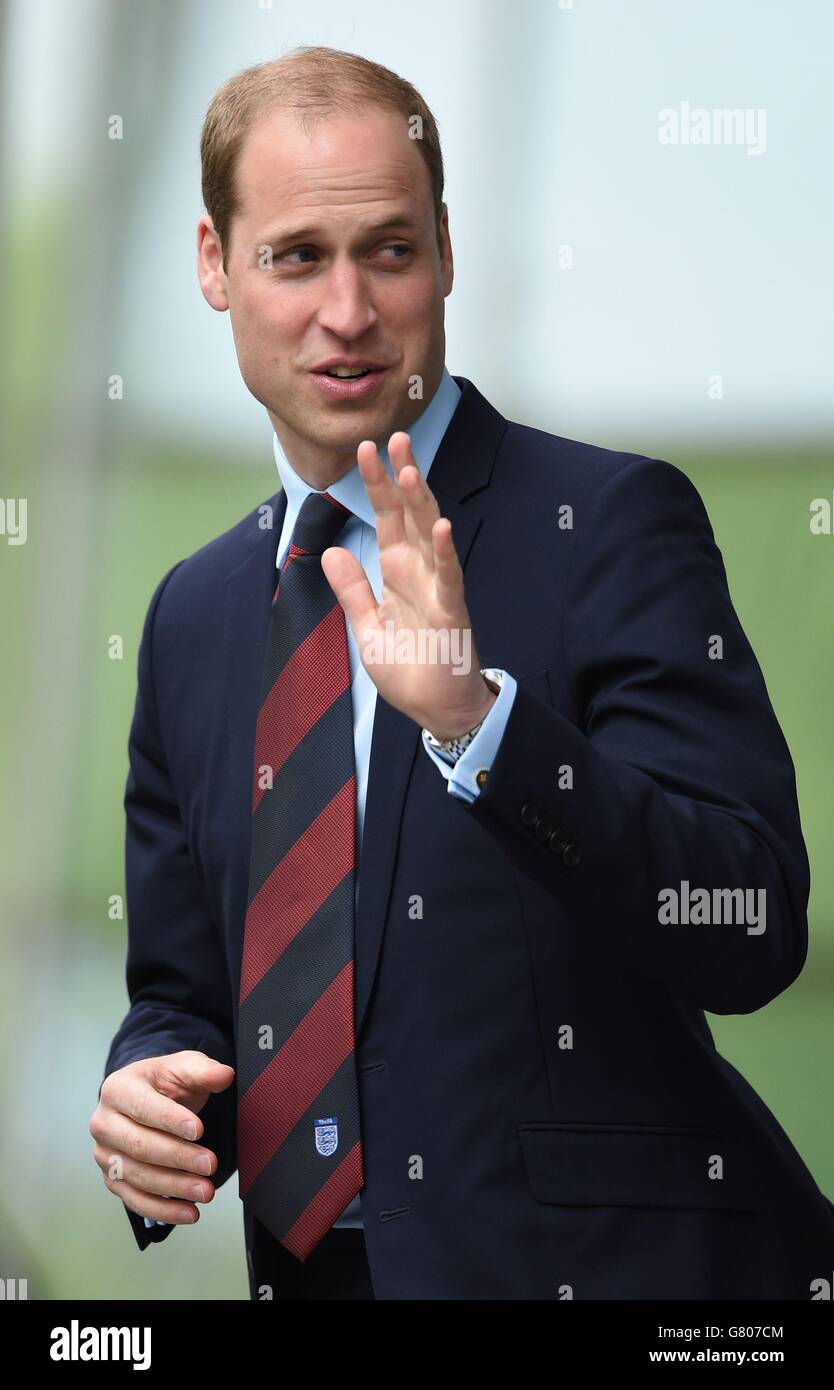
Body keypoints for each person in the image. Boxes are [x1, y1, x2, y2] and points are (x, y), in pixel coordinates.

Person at [90, 45, 834, 1300]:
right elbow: (188, 998)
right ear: (216, 266)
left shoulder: (608, 522)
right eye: (295, 257)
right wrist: (152, 1093)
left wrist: (480, 724)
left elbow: (749, 924)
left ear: (445, 248)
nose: (348, 311)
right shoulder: (192, 618)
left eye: (388, 250)